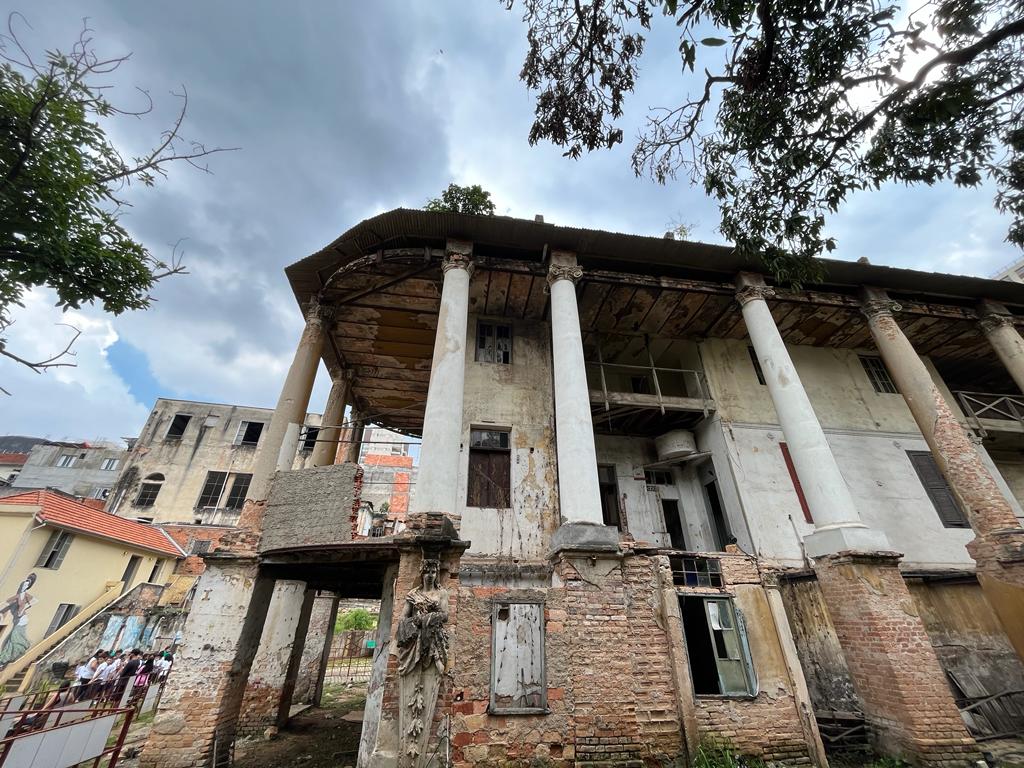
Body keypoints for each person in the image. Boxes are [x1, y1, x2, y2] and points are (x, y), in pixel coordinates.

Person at [0, 574, 37, 669]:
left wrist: (23, 605)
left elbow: (29, 602)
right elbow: (7, 603)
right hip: (18, 621)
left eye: (26, 585)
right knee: (11, 640)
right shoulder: (17, 599)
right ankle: (4, 660)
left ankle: (3, 661)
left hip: (22, 621)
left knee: (13, 640)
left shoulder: (24, 599)